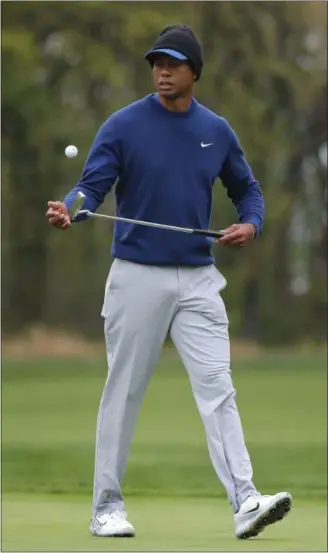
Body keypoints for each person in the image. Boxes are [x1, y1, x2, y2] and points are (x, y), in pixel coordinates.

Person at [46, 24, 292, 540]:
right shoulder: (123, 125)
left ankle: (246, 500)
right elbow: (90, 188)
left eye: (174, 63)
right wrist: (72, 210)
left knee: (218, 389)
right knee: (124, 392)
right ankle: (106, 507)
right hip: (136, 276)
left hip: (199, 278)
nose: (162, 70)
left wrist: (251, 223)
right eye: (157, 62)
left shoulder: (217, 130)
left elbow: (247, 189)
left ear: (194, 71)